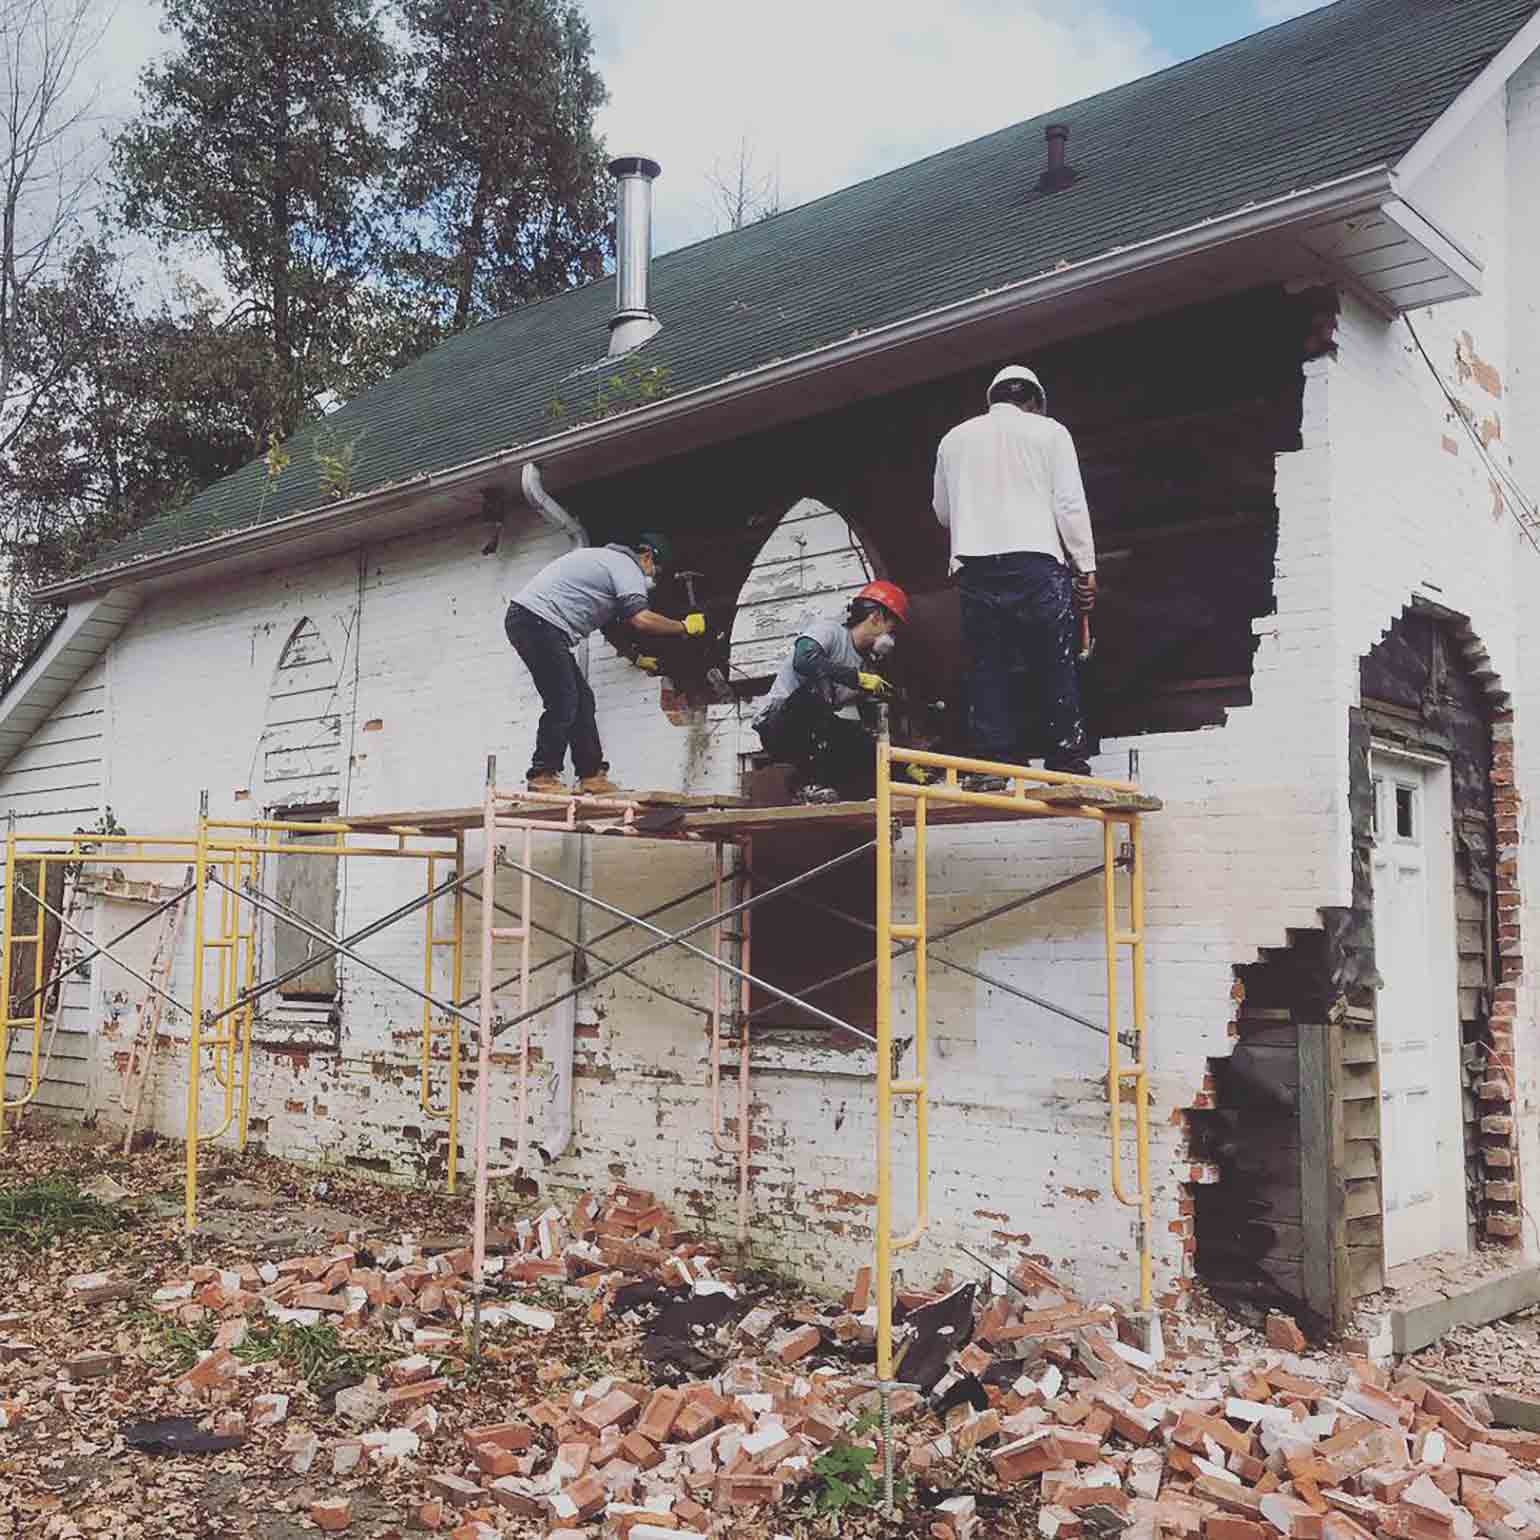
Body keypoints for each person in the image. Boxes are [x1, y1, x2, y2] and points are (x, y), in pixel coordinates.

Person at [933, 364, 1096, 786]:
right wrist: (1086, 566)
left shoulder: (953, 440)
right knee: (1054, 661)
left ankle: (995, 766)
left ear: (992, 399)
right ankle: (1066, 765)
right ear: (1035, 402)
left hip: (976, 566)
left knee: (988, 666)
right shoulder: (1051, 433)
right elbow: (1070, 505)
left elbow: (943, 512)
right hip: (1036, 562)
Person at [506, 532, 704, 795]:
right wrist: (683, 627)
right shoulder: (626, 566)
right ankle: (542, 774)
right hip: (536, 622)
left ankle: (591, 776)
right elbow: (640, 618)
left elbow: (611, 626)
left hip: (535, 623)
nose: (653, 577)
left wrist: (635, 657)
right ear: (646, 557)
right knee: (563, 700)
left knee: (582, 701)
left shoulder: (607, 565)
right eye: (656, 570)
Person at [752, 580, 909, 804]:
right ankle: (806, 784)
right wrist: (855, 679)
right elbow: (804, 660)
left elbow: (863, 723)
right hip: (778, 723)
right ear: (875, 617)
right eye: (892, 627)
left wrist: (900, 763)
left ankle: (848, 791)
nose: (892, 638)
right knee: (815, 696)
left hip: (816, 731)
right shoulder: (830, 631)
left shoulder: (867, 665)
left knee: (863, 743)